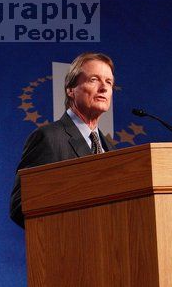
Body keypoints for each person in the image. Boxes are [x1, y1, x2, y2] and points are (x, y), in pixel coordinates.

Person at [10, 52, 117, 227]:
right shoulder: (49, 138)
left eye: (109, 82)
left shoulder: (111, 149)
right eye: (94, 80)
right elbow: (21, 205)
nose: (104, 88)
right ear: (70, 90)